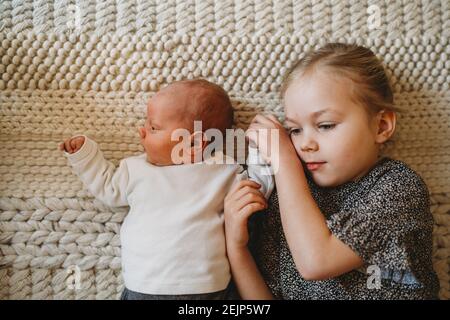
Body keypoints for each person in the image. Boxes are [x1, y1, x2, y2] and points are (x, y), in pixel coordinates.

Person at [224, 43, 440, 299]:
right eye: (294, 130)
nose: (305, 144)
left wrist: (285, 161)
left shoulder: (398, 187)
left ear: (381, 126)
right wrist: (237, 249)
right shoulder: (287, 200)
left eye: (325, 125)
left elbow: (316, 262)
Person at [60, 79, 273, 299]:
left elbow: (256, 191)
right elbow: (107, 186)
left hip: (206, 286)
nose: (142, 130)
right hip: (143, 286)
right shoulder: (135, 169)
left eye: (153, 127)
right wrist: (84, 155)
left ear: (192, 144)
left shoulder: (223, 171)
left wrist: (260, 150)